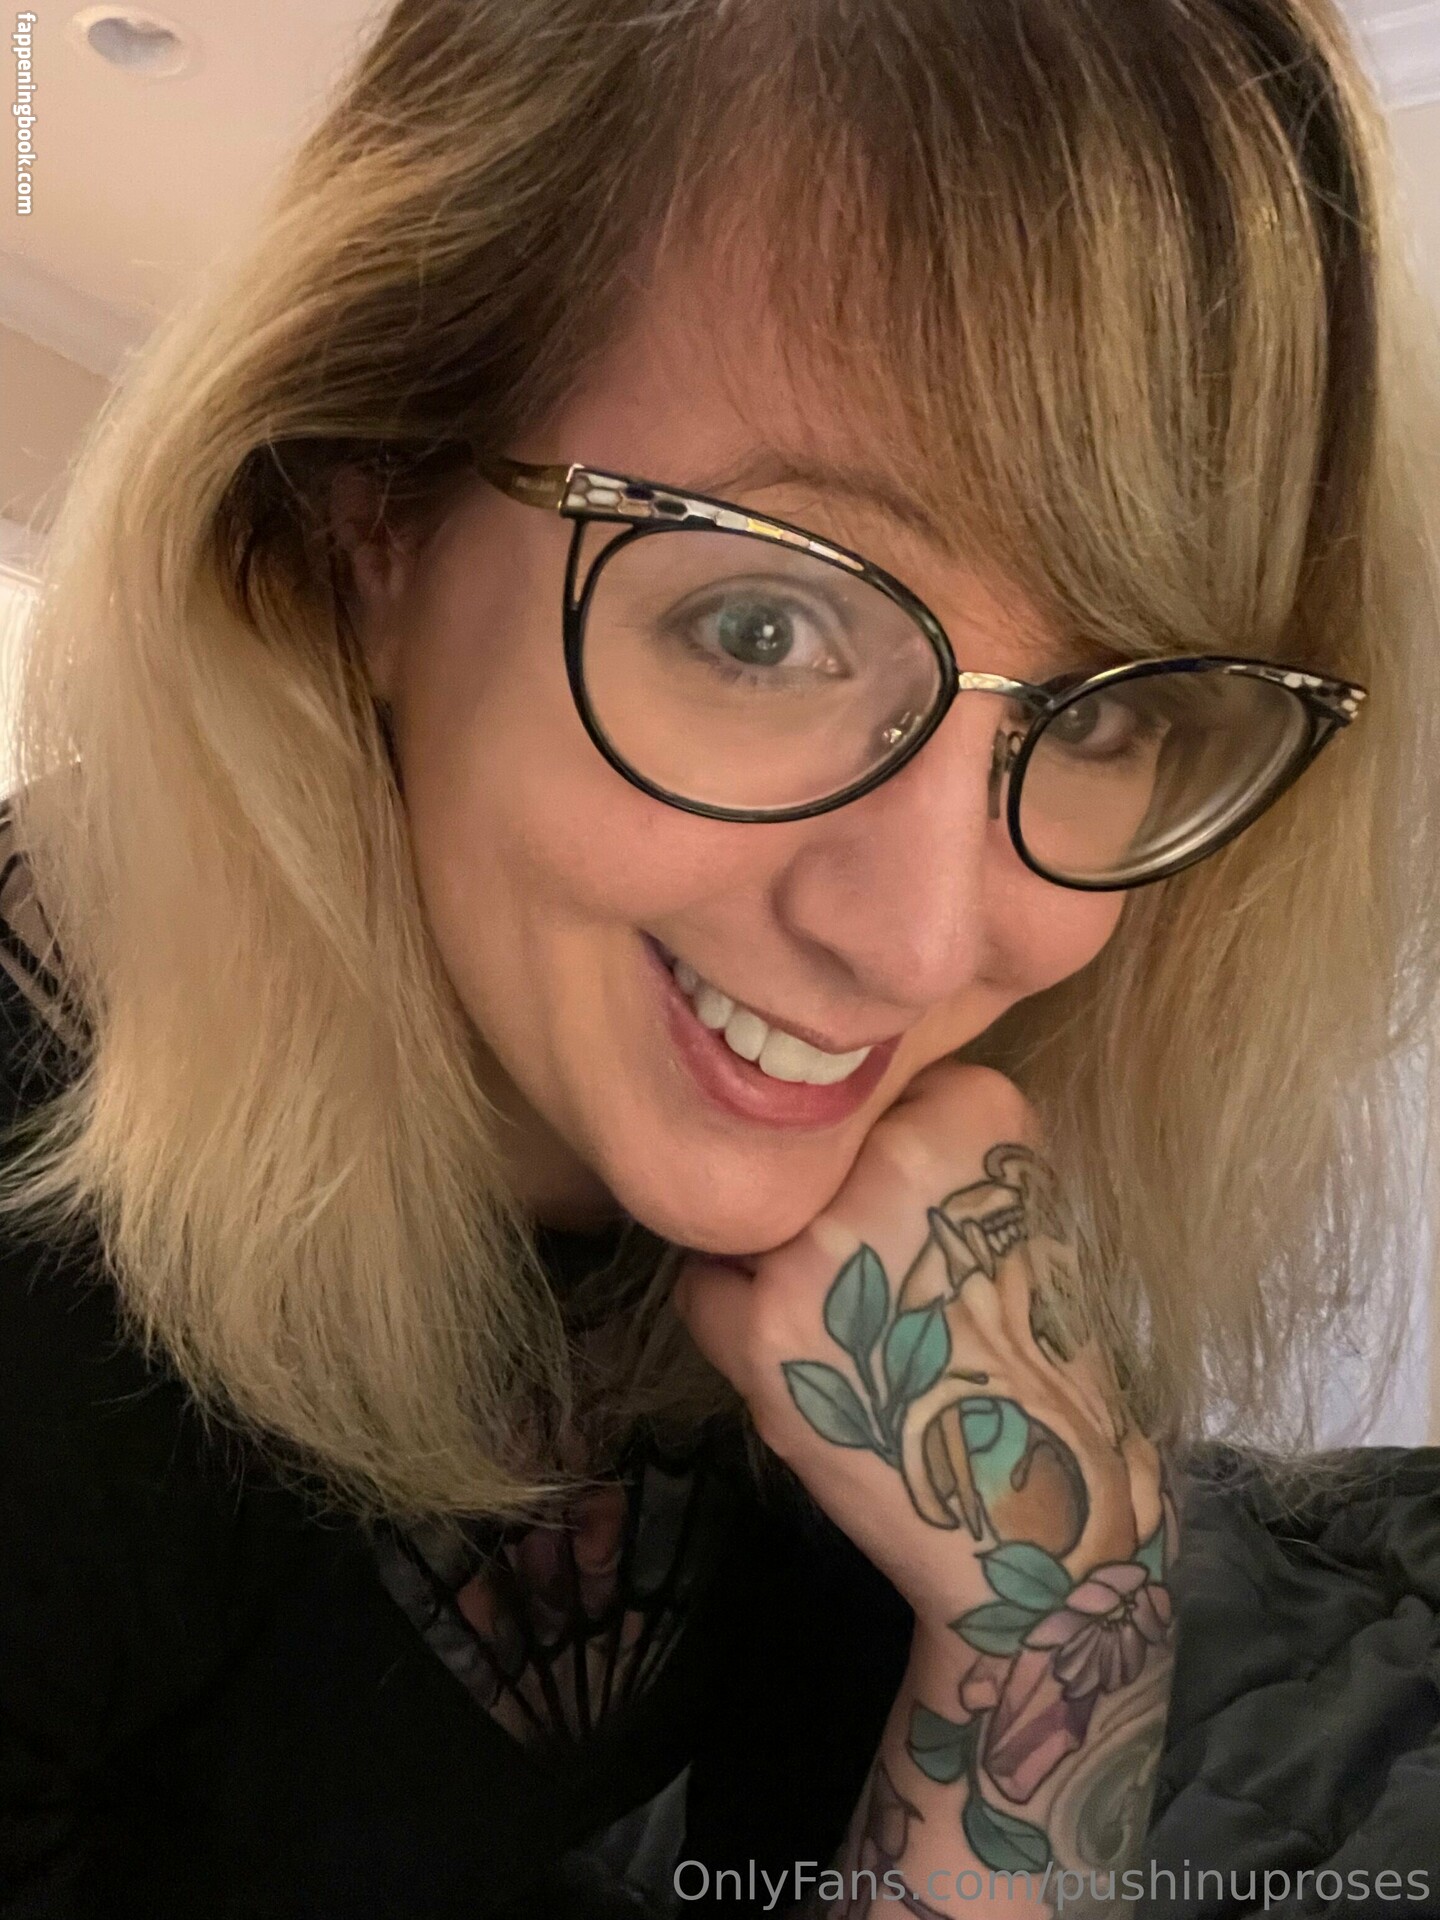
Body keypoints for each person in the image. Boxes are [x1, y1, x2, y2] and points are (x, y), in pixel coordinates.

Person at [2, 0, 1438, 1915]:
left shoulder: (857, 1209)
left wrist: (1053, 1614)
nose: (926, 939)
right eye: (764, 625)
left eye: (1105, 711)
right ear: (365, 523)